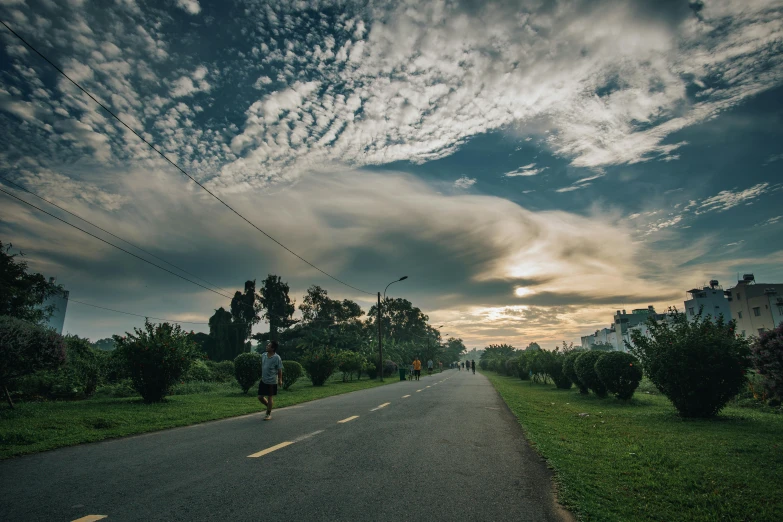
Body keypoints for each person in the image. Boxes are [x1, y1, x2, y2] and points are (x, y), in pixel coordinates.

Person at [258, 340, 283, 421]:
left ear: (273, 348)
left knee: (269, 397)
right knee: (260, 397)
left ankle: (268, 414)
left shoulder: (277, 357)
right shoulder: (263, 355)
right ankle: (269, 406)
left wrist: (280, 380)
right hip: (263, 379)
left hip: (272, 381)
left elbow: (279, 370)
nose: (267, 346)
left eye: (268, 346)